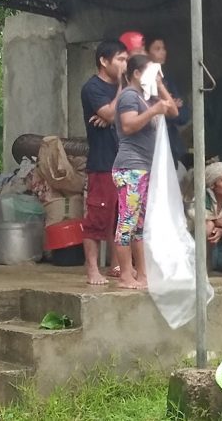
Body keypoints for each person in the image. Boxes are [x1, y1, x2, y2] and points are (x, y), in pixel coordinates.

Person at [113, 54, 178, 289]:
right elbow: (129, 125)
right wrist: (153, 111)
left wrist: (160, 85)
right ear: (137, 74)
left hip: (144, 168)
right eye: (150, 72)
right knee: (127, 224)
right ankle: (126, 275)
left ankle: (142, 273)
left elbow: (173, 112)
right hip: (131, 167)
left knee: (140, 226)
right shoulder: (129, 96)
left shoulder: (145, 96)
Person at [80, 39, 128, 285]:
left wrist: (112, 115)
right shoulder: (92, 88)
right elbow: (109, 114)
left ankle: (116, 264)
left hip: (126, 162)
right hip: (102, 162)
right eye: (120, 59)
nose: (124, 64)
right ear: (103, 60)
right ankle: (92, 269)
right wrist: (119, 96)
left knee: (122, 216)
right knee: (98, 217)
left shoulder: (128, 89)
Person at [145, 35, 191, 166]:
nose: (162, 52)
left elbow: (183, 116)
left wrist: (166, 108)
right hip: (150, 143)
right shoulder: (141, 80)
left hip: (170, 142)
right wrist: (167, 107)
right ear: (146, 53)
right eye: (157, 49)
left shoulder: (167, 80)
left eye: (163, 48)